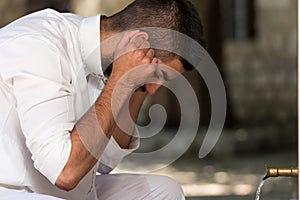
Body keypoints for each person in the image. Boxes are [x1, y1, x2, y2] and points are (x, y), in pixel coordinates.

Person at [0, 0, 206, 199]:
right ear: (138, 43)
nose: (153, 89)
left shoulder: (101, 54)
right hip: (11, 189)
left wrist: (136, 85)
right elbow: (66, 173)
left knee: (165, 191)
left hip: (55, 189)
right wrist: (121, 81)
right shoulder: (42, 48)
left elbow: (103, 161)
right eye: (158, 74)